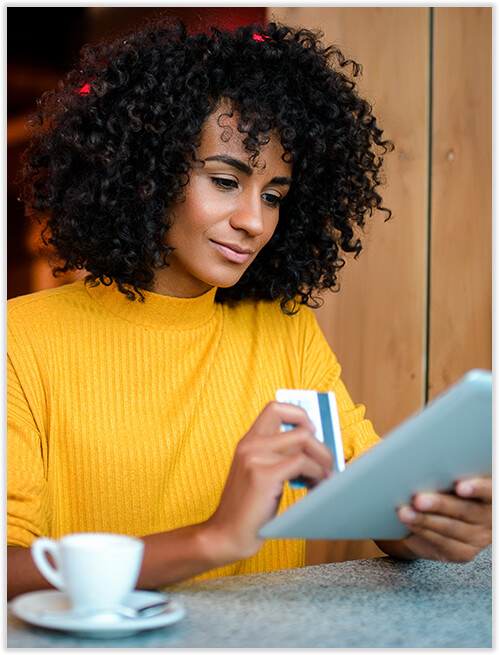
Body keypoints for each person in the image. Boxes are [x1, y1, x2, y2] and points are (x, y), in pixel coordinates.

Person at [7, 18, 491, 601]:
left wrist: (432, 524)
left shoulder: (285, 331)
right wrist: (211, 539)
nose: (254, 222)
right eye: (224, 180)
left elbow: (369, 501)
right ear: (144, 175)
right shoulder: (21, 341)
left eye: (273, 196)